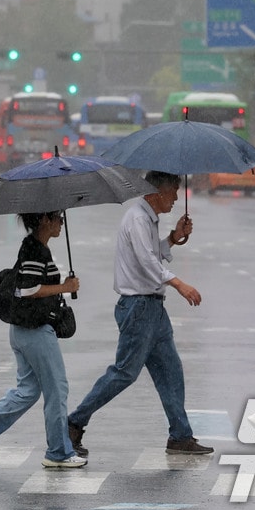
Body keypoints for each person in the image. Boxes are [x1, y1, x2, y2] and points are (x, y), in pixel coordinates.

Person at [66, 171, 213, 457]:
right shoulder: (137, 218)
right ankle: (73, 423)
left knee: (171, 371)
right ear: (156, 190)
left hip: (153, 309)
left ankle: (180, 436)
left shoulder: (147, 219)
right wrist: (179, 283)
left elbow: (150, 253)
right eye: (173, 189)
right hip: (139, 308)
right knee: (123, 373)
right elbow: (146, 262)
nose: (175, 197)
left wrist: (173, 238)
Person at [0, 210, 83, 469]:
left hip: (22, 331)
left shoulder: (34, 247)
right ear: (45, 220)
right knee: (57, 390)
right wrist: (65, 288)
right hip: (36, 332)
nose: (61, 222)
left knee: (27, 391)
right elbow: (27, 289)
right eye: (58, 217)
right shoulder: (36, 250)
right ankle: (58, 452)